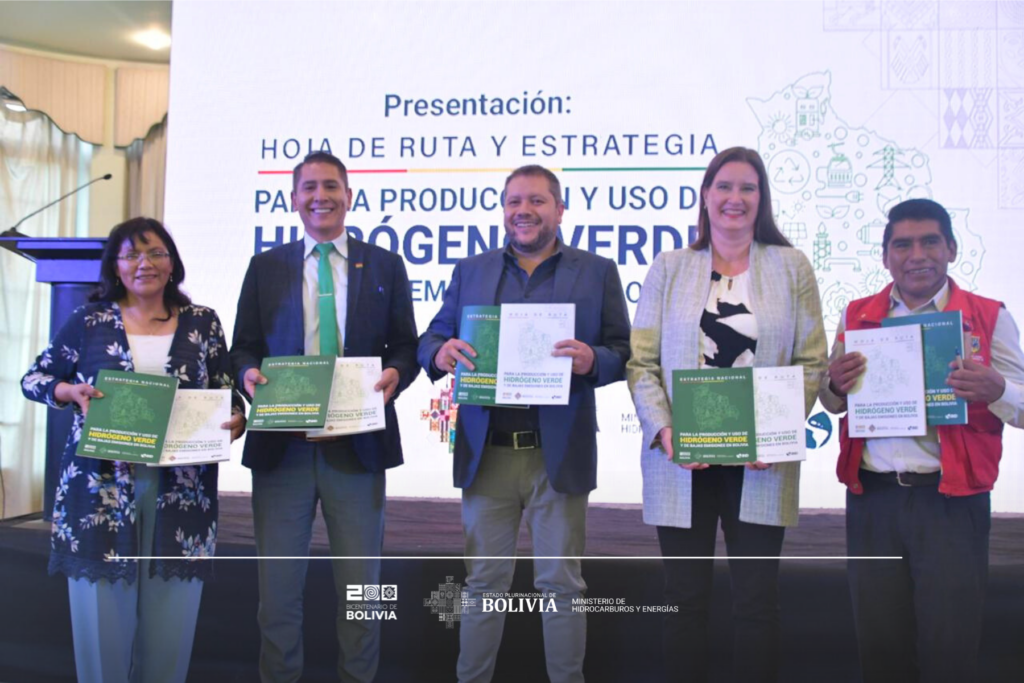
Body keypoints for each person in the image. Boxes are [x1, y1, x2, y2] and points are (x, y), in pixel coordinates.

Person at [418, 164, 631, 682]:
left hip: (556, 452)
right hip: (487, 451)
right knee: (482, 587)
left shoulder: (597, 271)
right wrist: (440, 353)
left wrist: (593, 360)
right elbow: (432, 338)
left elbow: (624, 351)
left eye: (537, 200)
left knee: (562, 587)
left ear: (560, 209)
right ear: (504, 210)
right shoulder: (471, 270)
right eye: (514, 201)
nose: (524, 210)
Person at [626, 146, 827, 682]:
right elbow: (641, 363)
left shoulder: (791, 266)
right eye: (725, 186)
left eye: (748, 188)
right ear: (705, 196)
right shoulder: (670, 267)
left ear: (762, 199)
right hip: (681, 461)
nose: (735, 198)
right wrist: (664, 431)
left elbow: (812, 361)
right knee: (683, 601)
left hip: (762, 461)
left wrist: (777, 433)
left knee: (757, 604)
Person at [20, 217, 245, 683]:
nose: (145, 263)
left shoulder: (203, 322)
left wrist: (236, 420)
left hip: (182, 496)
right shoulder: (89, 321)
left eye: (156, 253)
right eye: (131, 255)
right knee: (101, 642)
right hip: (97, 495)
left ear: (172, 263)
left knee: (169, 640)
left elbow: (227, 393)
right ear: (115, 266)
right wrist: (69, 392)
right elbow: (35, 378)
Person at [230, 151, 419, 683]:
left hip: (357, 449)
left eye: (331, 186)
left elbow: (406, 346)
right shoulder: (266, 267)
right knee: (277, 598)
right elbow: (243, 347)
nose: (321, 197)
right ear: (293, 199)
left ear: (349, 196)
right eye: (309, 187)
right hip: (282, 451)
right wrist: (247, 376)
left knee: (362, 596)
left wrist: (396, 374)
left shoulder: (385, 264)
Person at [818, 198, 1024, 683]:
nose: (917, 255)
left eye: (930, 242)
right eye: (903, 245)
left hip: (951, 504)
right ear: (885, 256)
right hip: (873, 501)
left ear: (951, 248)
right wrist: (834, 386)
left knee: (949, 648)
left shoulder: (988, 316)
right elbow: (832, 401)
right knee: (880, 649)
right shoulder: (857, 315)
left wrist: (998, 389)